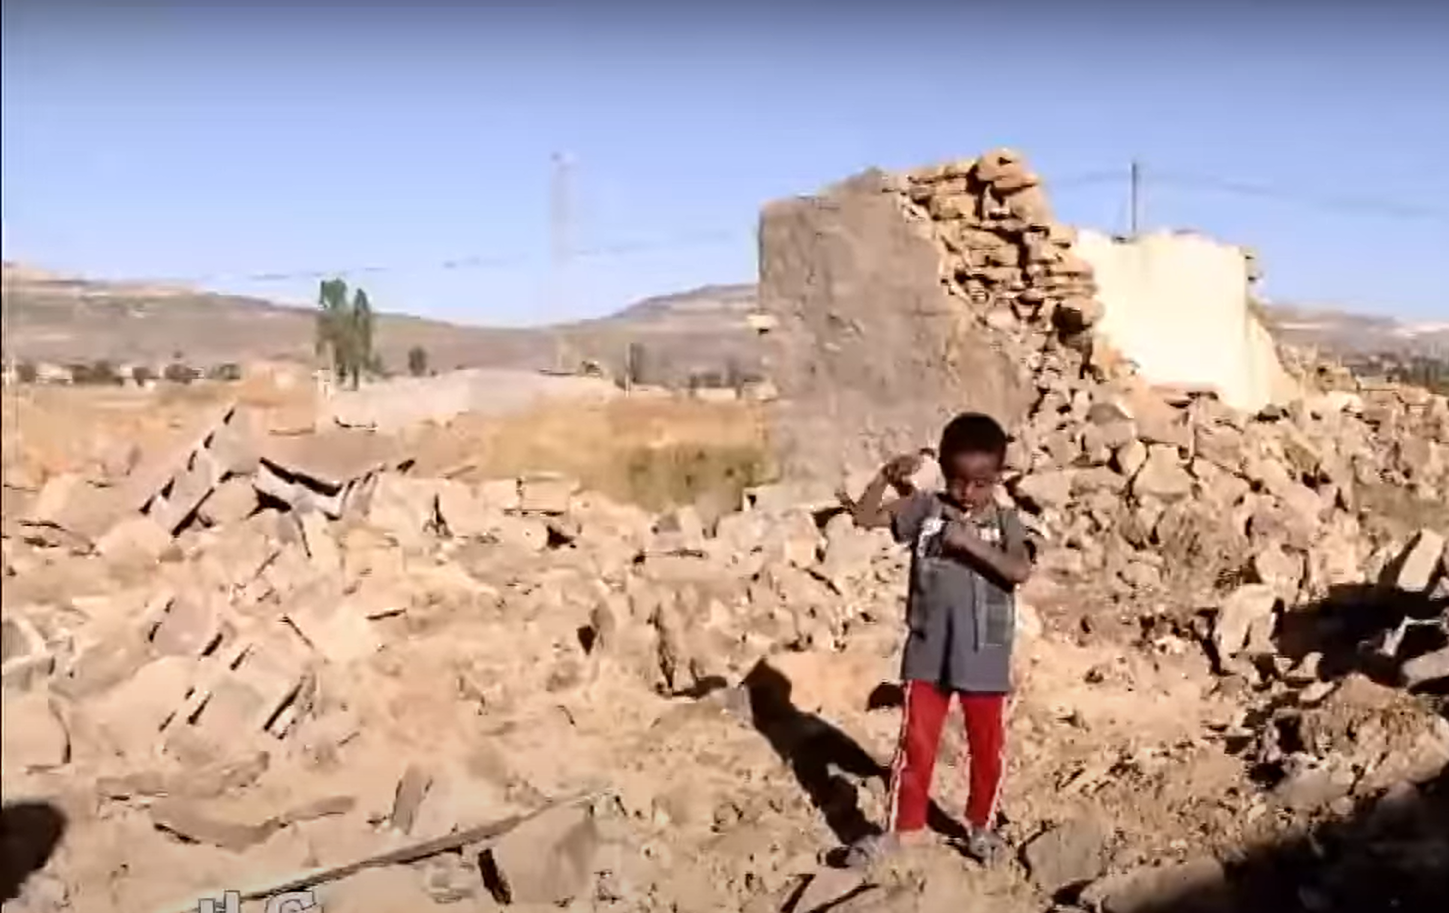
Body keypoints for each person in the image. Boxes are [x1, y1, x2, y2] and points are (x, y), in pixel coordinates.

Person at [842, 412, 1033, 868]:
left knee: (986, 748)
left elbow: (1018, 569)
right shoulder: (925, 509)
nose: (967, 492)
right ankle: (901, 829)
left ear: (998, 478)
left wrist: (968, 544)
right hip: (928, 652)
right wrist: (884, 478)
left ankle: (981, 827)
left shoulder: (1006, 522)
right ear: (944, 471)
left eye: (981, 483)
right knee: (916, 744)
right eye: (958, 480)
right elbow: (864, 517)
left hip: (984, 655)